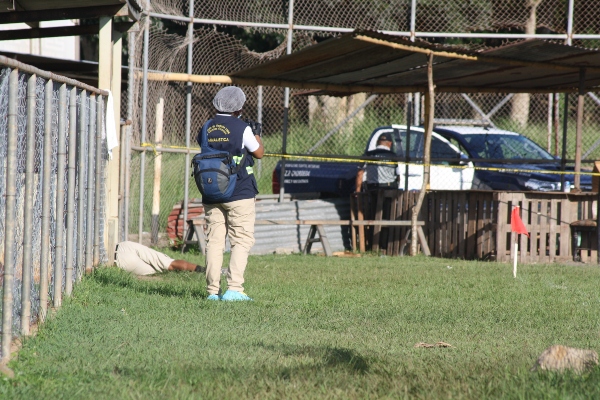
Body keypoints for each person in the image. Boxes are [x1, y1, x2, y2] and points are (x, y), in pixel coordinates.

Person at [198, 86, 264, 301]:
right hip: (239, 192)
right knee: (241, 240)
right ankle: (234, 289)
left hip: (211, 191)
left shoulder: (206, 126)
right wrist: (256, 134)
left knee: (214, 242)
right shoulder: (242, 127)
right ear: (240, 106)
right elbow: (259, 153)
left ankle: (212, 292)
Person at [114, 241, 204, 276]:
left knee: (158, 269)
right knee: (169, 264)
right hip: (123, 248)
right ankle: (202, 269)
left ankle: (200, 270)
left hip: (116, 263)